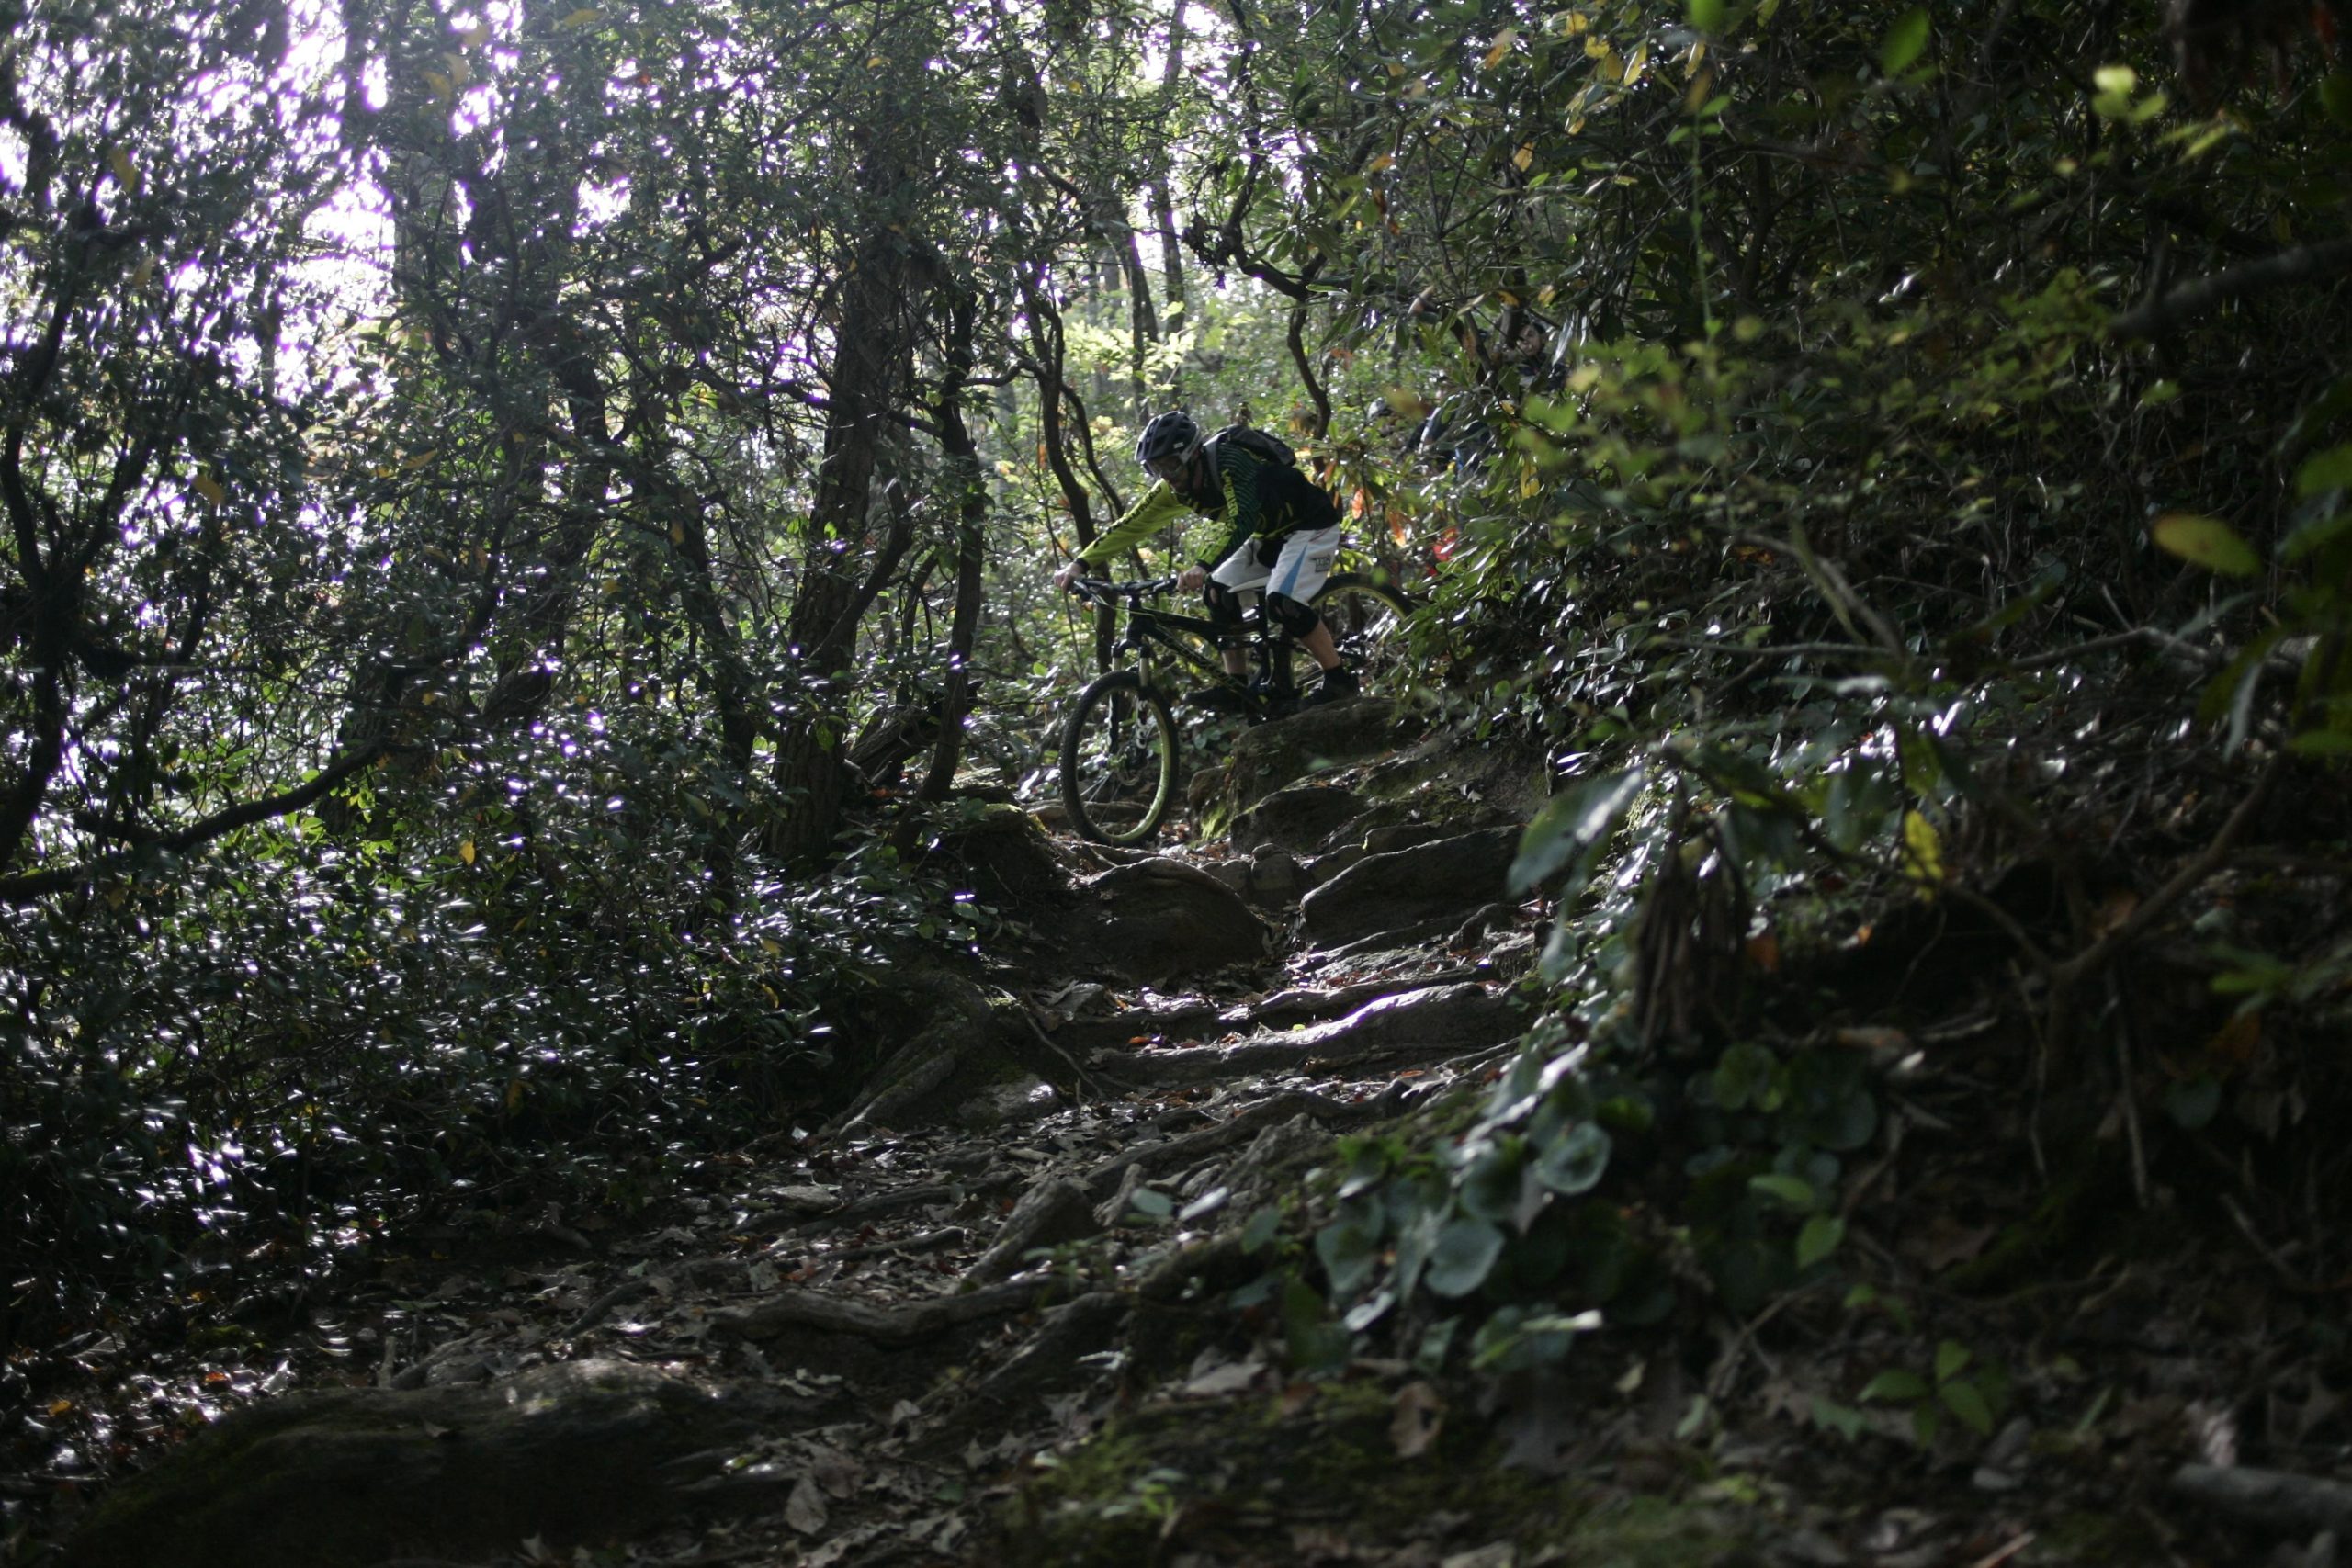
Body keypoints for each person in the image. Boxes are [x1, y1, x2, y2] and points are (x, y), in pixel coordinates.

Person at [1052, 411, 1359, 706]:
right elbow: (1132, 525)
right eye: (1155, 469)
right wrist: (1079, 564)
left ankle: (1338, 679)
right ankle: (1236, 686)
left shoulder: (1230, 463)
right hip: (1269, 534)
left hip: (1310, 524)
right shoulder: (1172, 489)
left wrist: (1202, 564)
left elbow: (1243, 520)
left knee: (1283, 603)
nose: (1166, 477)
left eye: (1171, 465)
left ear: (1192, 454)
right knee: (1218, 593)